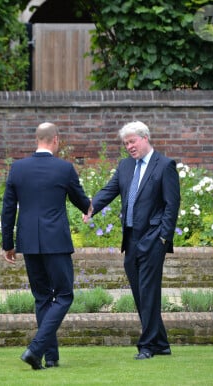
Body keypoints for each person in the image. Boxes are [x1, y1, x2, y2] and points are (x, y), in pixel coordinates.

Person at [86, 121, 180, 360]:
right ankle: (161, 343)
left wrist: (162, 238)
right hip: (131, 239)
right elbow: (109, 191)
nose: (129, 146)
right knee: (141, 293)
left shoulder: (164, 165)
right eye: (125, 143)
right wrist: (89, 208)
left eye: (132, 141)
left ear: (145, 138)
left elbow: (172, 205)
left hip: (153, 237)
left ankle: (147, 345)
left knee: (148, 291)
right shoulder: (125, 166)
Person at [1, 122, 92, 370]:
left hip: (28, 242)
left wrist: (7, 244)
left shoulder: (18, 168)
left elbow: (8, 209)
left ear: (37, 139)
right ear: (56, 140)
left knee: (42, 297)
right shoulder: (64, 168)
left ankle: (50, 357)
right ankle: (37, 348)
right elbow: (81, 201)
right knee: (64, 295)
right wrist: (90, 207)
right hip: (56, 242)